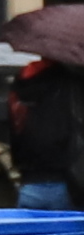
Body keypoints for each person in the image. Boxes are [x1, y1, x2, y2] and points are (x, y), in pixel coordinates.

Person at [9, 56, 84, 212]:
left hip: (30, 183)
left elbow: (14, 125)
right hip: (72, 184)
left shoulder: (26, 77)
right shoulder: (74, 80)